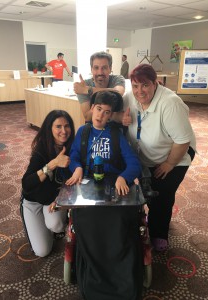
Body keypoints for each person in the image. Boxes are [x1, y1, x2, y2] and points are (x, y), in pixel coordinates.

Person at [65, 91, 143, 300]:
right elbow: (73, 157)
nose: (101, 115)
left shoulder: (116, 134)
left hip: (112, 186)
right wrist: (77, 167)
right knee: (87, 221)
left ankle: (121, 281)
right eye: (98, 109)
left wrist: (123, 177)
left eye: (106, 112)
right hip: (88, 185)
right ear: (92, 108)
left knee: (119, 222)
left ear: (111, 116)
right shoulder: (82, 132)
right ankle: (94, 279)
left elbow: (134, 163)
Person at [124, 63, 196, 252]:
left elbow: (182, 141)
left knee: (162, 193)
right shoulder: (129, 96)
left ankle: (159, 233)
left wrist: (169, 163)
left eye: (145, 85)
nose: (140, 91)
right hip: (146, 154)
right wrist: (119, 119)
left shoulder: (170, 103)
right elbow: (114, 113)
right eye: (135, 86)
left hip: (176, 154)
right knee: (147, 189)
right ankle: (151, 217)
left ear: (155, 83)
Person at [21, 110, 75, 257]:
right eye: (58, 126)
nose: (63, 131)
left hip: (53, 199)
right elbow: (26, 184)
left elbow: (74, 182)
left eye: (67, 126)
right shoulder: (41, 149)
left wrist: (61, 200)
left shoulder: (73, 148)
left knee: (56, 225)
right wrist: (52, 164)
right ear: (49, 129)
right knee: (42, 251)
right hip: (33, 200)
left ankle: (53, 229)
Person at [73, 51, 126, 122]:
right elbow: (87, 117)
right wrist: (115, 116)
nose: (100, 72)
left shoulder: (117, 79)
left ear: (110, 69)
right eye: (96, 68)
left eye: (104, 68)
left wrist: (88, 90)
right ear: (91, 69)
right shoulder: (84, 85)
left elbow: (118, 92)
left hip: (115, 129)